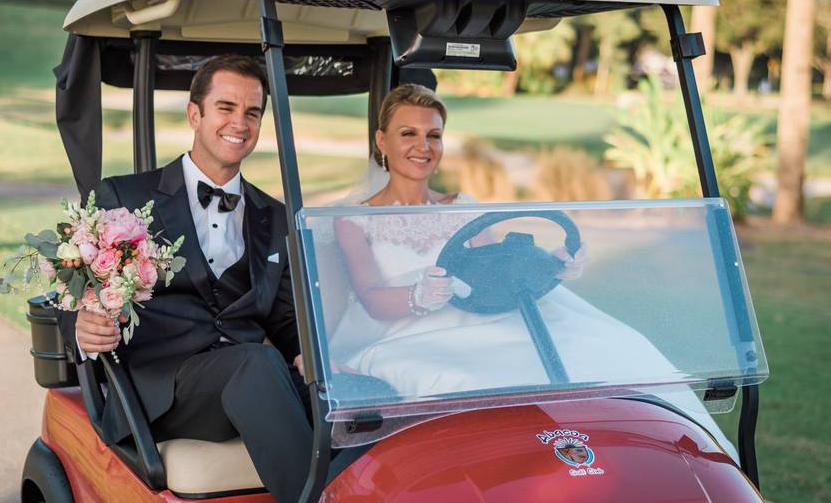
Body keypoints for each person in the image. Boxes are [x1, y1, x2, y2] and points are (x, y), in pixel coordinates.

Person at [327, 83, 738, 460]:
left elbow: (499, 271)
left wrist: (552, 266)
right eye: (408, 134)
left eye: (433, 135)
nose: (423, 146)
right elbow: (372, 298)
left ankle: (663, 461)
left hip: (485, 320)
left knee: (618, 349)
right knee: (463, 380)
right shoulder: (354, 220)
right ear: (382, 140)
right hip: (405, 332)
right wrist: (420, 296)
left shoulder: (463, 206)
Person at [61, 55, 310, 502]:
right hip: (161, 394)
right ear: (195, 114)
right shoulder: (126, 197)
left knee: (350, 396)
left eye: (252, 112)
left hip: (249, 382)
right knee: (256, 362)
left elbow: (286, 319)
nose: (241, 122)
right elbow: (73, 295)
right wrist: (82, 326)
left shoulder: (275, 216)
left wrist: (310, 355)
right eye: (226, 107)